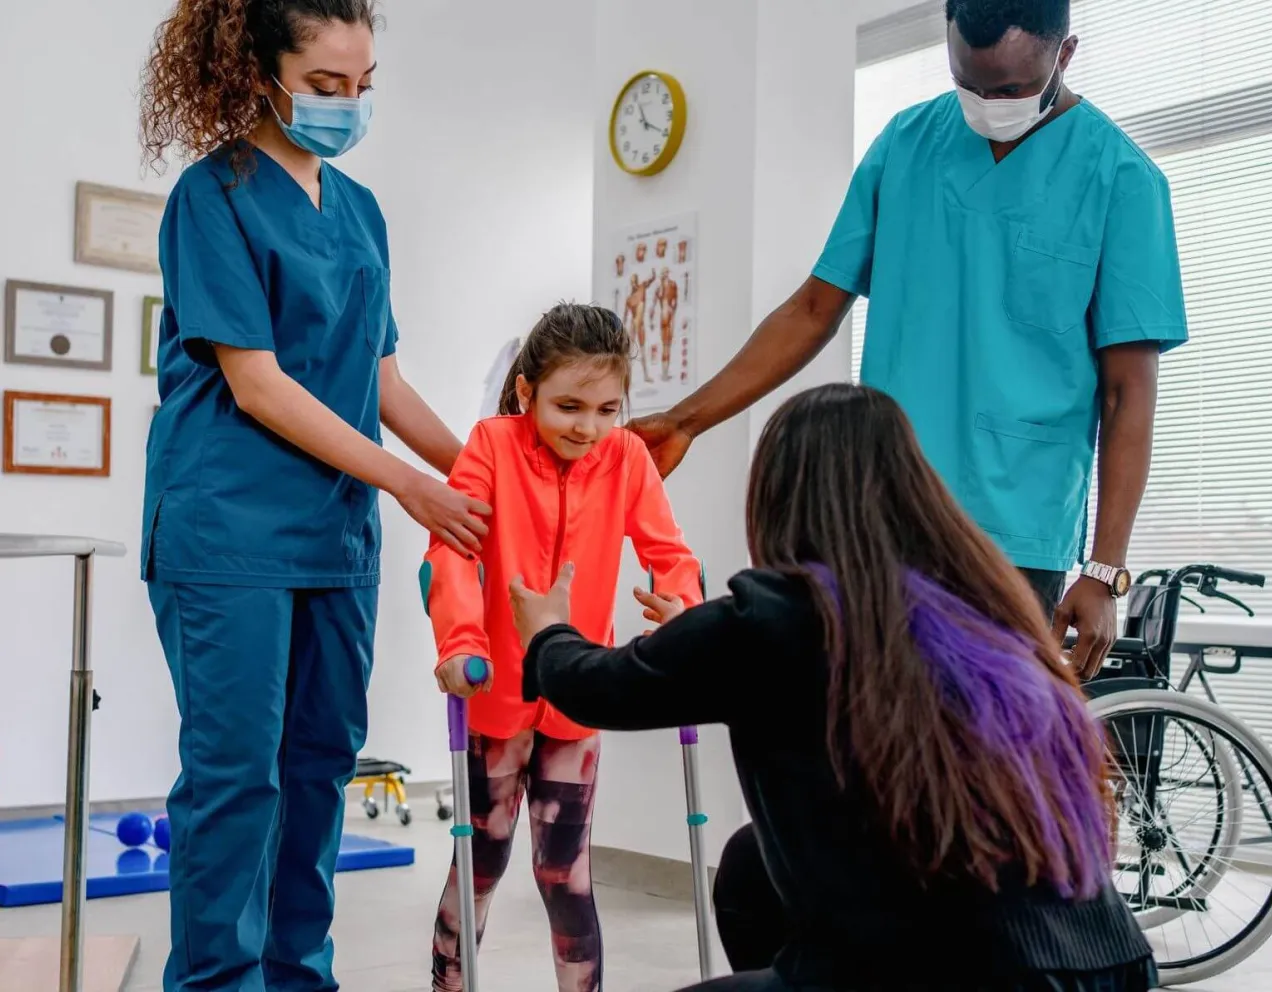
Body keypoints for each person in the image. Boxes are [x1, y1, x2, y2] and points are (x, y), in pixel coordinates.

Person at [511, 383, 1157, 992]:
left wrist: (548, 634)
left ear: (779, 494)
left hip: (974, 974)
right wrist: (699, 637)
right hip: (1106, 964)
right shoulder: (975, 608)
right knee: (749, 867)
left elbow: (597, 688)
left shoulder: (777, 615)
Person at [631, 0, 1188, 677]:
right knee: (864, 742)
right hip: (879, 512)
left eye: (1010, 88)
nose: (987, 103)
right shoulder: (906, 145)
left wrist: (1104, 571)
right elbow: (812, 309)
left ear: (1063, 55)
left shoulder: (1123, 181)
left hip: (1013, 534)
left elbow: (1130, 394)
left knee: (982, 759)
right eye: (969, 83)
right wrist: (687, 420)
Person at [137, 2, 491, 988]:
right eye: (326, 86)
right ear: (260, 74)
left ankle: (300, 975)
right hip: (228, 528)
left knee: (319, 768)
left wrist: (484, 472)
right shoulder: (212, 197)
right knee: (234, 782)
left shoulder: (362, 211)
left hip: (334, 535)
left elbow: (379, 380)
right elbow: (258, 383)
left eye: (363, 85)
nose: (348, 104)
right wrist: (410, 485)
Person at [424, 303, 703, 992]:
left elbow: (671, 553)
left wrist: (683, 612)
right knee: (479, 866)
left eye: (608, 409)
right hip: (494, 691)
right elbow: (450, 553)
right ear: (527, 393)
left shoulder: (627, 457)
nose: (589, 427)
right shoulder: (490, 445)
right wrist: (459, 643)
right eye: (569, 406)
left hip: (577, 693)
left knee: (566, 875)